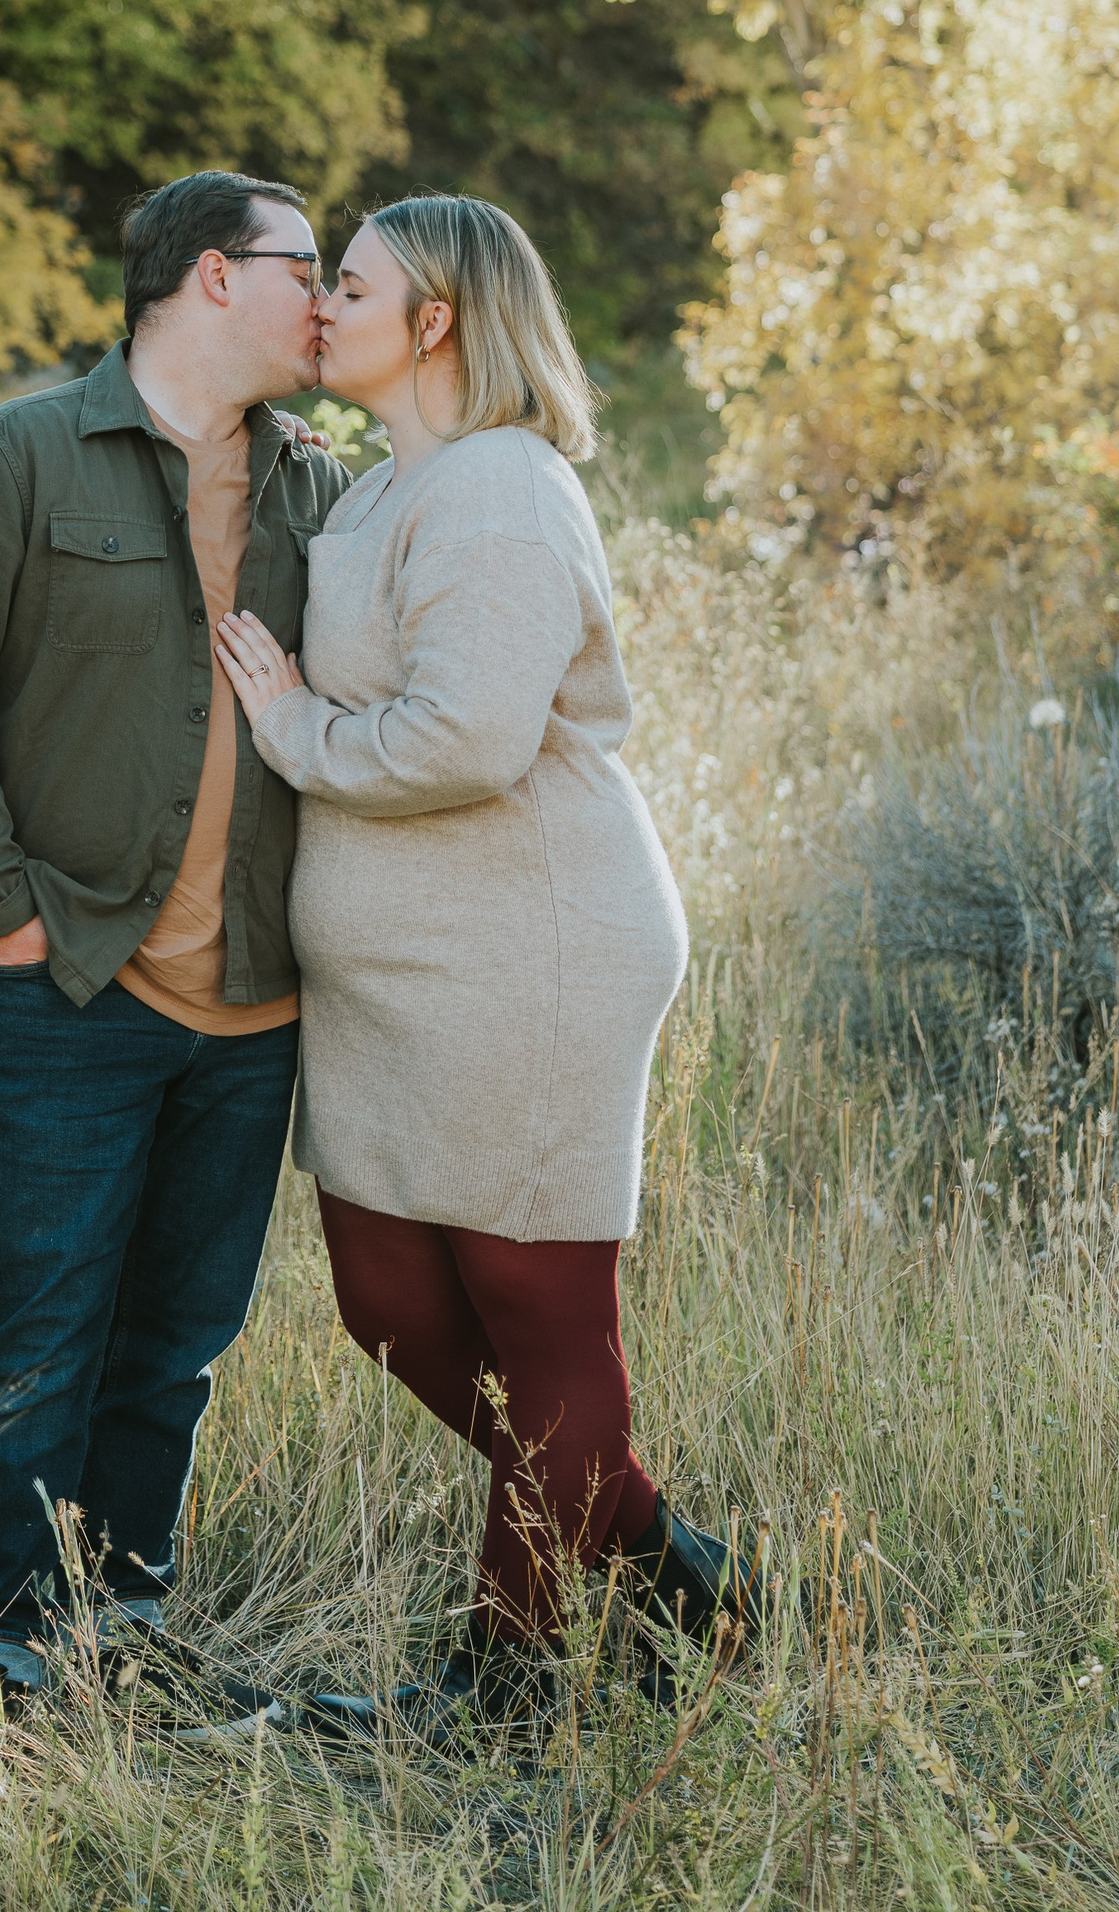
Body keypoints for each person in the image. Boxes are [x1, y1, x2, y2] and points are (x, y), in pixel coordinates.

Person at [213, 193, 759, 1728]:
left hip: (532, 950)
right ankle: (678, 1575)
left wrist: (292, 725)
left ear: (435, 320)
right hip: (399, 984)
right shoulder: (386, 490)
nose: (322, 303)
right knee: (388, 1300)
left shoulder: (504, 488)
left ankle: (506, 1682)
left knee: (539, 1317)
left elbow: (466, 735)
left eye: (352, 284)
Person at [0, 170, 353, 1692]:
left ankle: (121, 1629)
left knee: (178, 1341)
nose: (328, 298)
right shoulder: (13, 460)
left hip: (253, 1001)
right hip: (60, 985)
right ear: (213, 274)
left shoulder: (320, 488)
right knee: (41, 1332)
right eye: (306, 267)